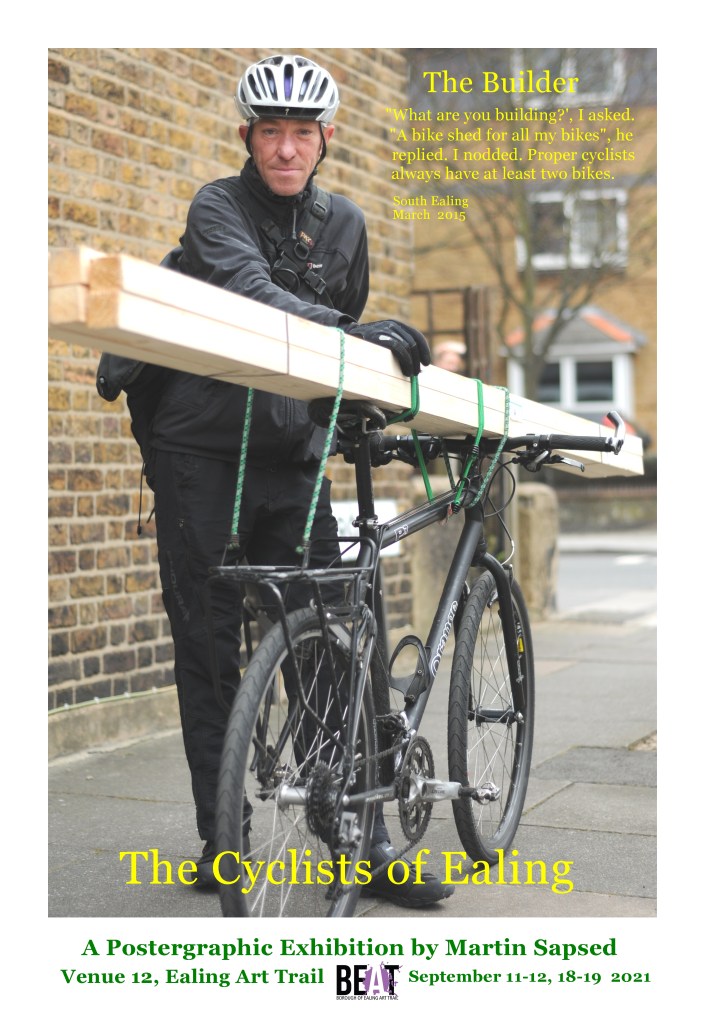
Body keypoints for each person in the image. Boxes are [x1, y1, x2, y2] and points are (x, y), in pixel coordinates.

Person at [147, 54, 452, 909]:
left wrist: (364, 406)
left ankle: (362, 840)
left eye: (302, 134)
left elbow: (331, 356)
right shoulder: (216, 206)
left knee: (331, 641)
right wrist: (359, 333)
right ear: (247, 137)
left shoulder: (344, 223)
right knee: (209, 647)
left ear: (326, 139)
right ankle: (223, 839)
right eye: (271, 132)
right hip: (200, 453)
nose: (286, 149)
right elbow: (251, 295)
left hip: (293, 458)